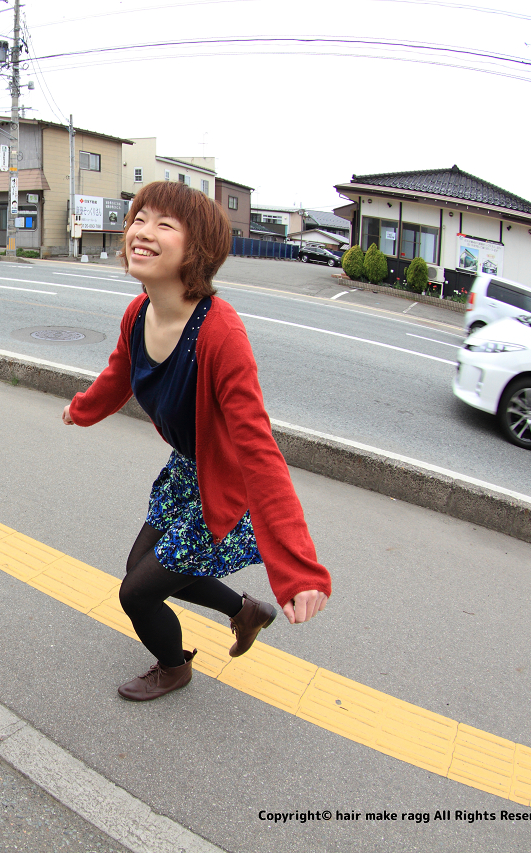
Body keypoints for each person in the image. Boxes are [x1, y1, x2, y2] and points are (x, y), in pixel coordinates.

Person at [62, 181, 331, 701]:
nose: (142, 232)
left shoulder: (219, 334)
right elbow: (120, 373)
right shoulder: (139, 312)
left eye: (164, 225)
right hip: (188, 470)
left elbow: (258, 449)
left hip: (223, 482)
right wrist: (82, 409)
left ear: (197, 250)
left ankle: (173, 667)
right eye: (139, 219)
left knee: (137, 593)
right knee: (142, 571)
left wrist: (298, 570)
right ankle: (245, 611)